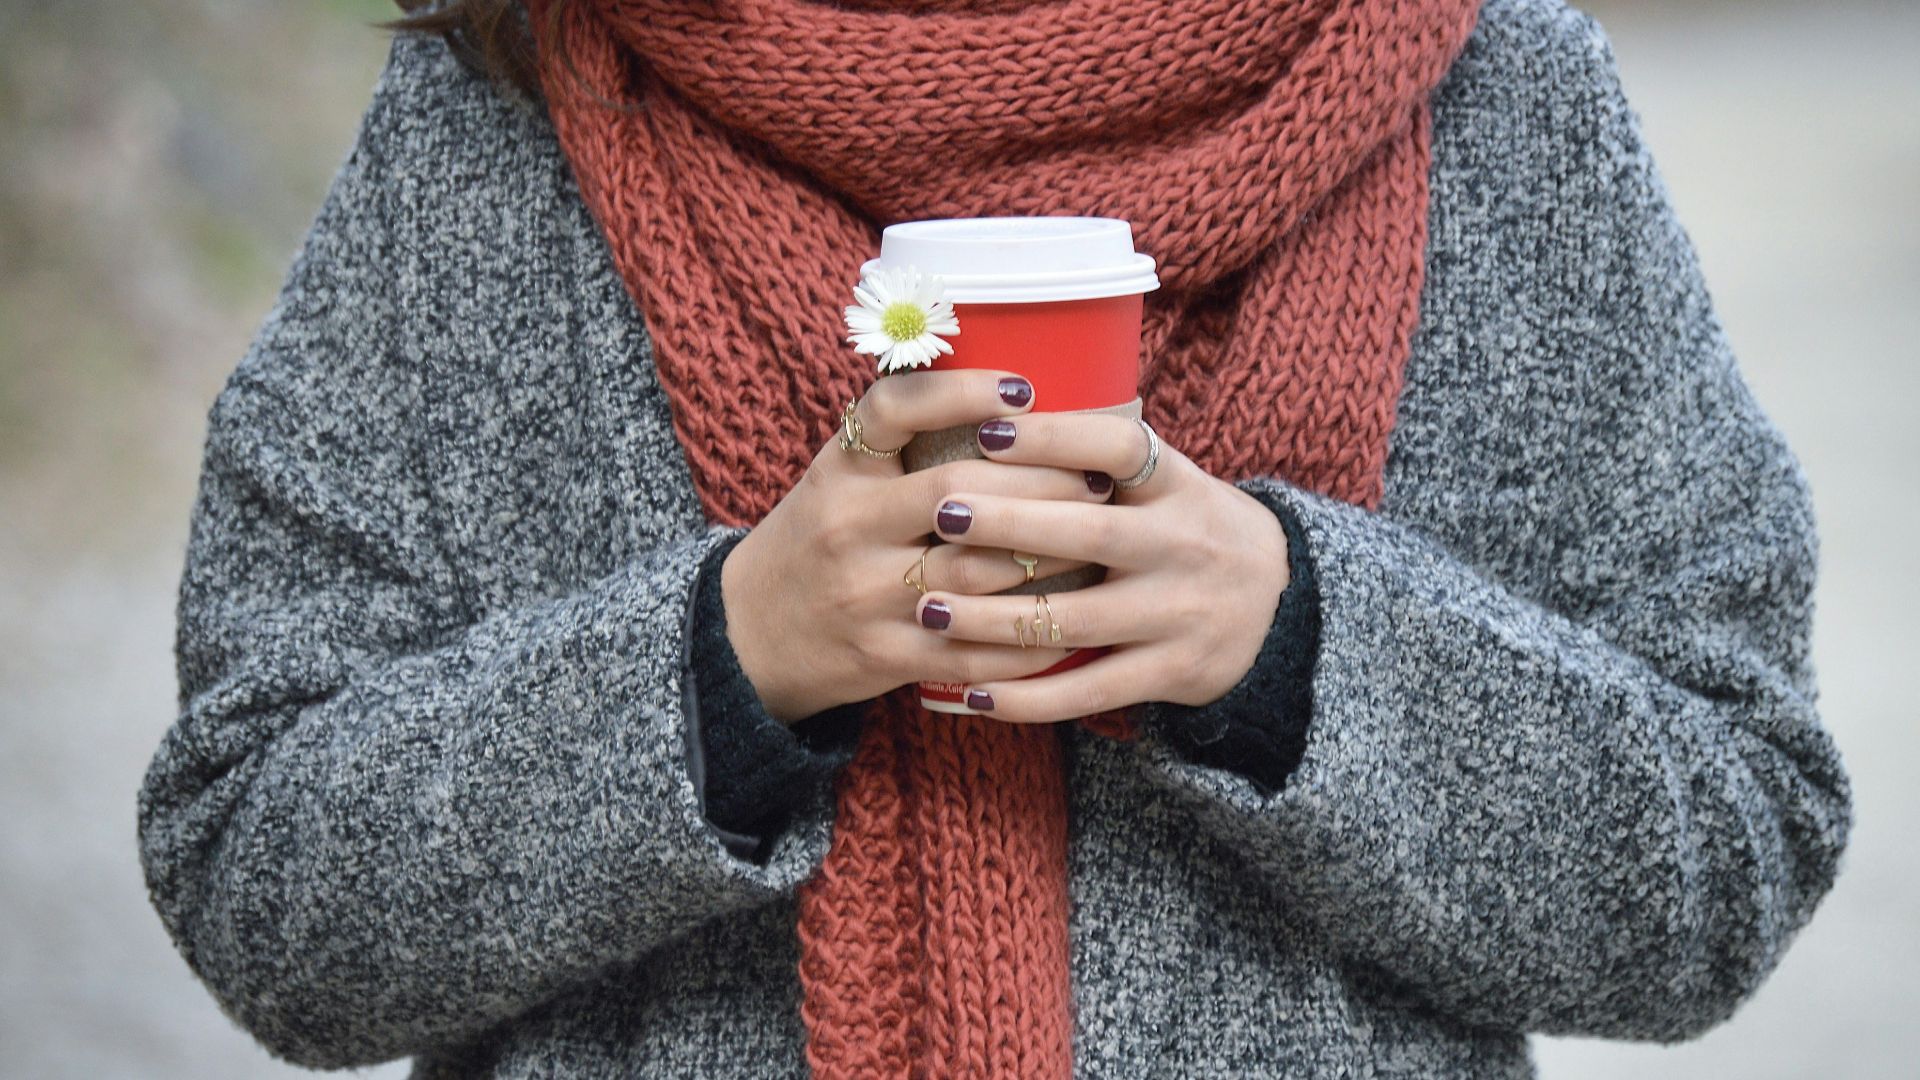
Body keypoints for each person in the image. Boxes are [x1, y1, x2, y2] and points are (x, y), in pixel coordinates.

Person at [134, 0, 1853, 1076]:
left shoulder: (1500, 102)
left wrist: (1301, 646)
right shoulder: (494, 124)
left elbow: (1727, 868)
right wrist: (719, 663)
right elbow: (264, 898)